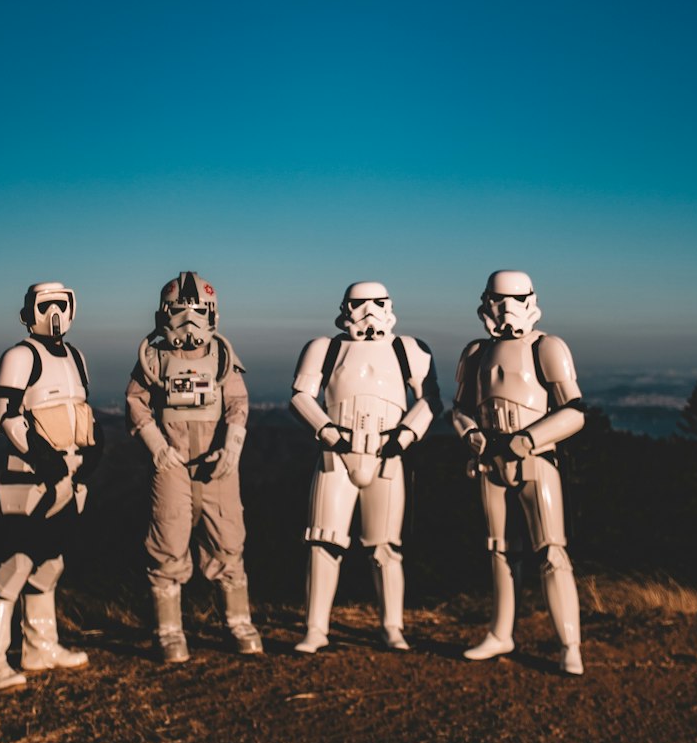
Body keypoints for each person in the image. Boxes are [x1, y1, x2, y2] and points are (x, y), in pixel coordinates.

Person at [291, 281, 441, 653]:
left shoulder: (407, 349)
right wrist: (326, 431)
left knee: (385, 546)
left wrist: (405, 436)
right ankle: (316, 628)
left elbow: (430, 399)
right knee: (323, 540)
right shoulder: (324, 349)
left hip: (387, 452)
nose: (369, 311)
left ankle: (392, 626)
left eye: (377, 303)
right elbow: (300, 397)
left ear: (389, 305)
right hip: (336, 453)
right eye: (360, 304)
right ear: (346, 307)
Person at [452, 269, 586, 675]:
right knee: (499, 549)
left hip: (535, 460)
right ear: (485, 301)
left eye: (514, 298)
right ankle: (500, 632)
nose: (505, 307)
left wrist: (527, 440)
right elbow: (460, 409)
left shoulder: (548, 346)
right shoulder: (475, 352)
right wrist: (472, 435)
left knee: (551, 551)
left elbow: (575, 410)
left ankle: (569, 645)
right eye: (497, 299)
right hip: (490, 461)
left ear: (531, 300)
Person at [0, 281, 101, 692]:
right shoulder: (20, 356)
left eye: (62, 304)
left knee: (50, 562)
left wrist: (91, 449)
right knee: (15, 563)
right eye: (47, 305)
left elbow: (79, 409)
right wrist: (41, 455)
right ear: (30, 311)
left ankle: (40, 645)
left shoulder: (76, 357)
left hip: (70, 474)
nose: (56, 313)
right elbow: (6, 415)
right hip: (29, 475)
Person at [125, 271, 263, 662]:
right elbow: (136, 403)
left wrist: (233, 445)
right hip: (171, 462)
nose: (189, 320)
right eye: (180, 311)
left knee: (228, 538)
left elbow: (237, 403)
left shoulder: (221, 356)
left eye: (198, 311)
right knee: (168, 540)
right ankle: (169, 629)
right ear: (164, 314)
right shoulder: (153, 359)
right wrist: (155, 446)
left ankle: (238, 620)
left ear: (212, 314)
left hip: (217, 462)